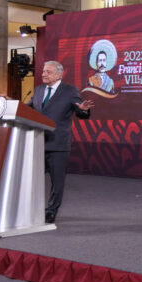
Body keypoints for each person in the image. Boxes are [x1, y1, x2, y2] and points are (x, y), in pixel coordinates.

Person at [28, 60, 94, 224]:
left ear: (59, 74)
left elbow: (79, 109)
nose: (43, 74)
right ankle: (30, 209)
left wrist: (84, 110)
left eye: (48, 72)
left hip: (58, 144)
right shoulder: (38, 90)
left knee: (57, 182)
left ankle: (51, 211)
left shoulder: (69, 91)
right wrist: (10, 103)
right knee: (31, 179)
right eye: (43, 71)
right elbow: (27, 109)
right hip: (37, 143)